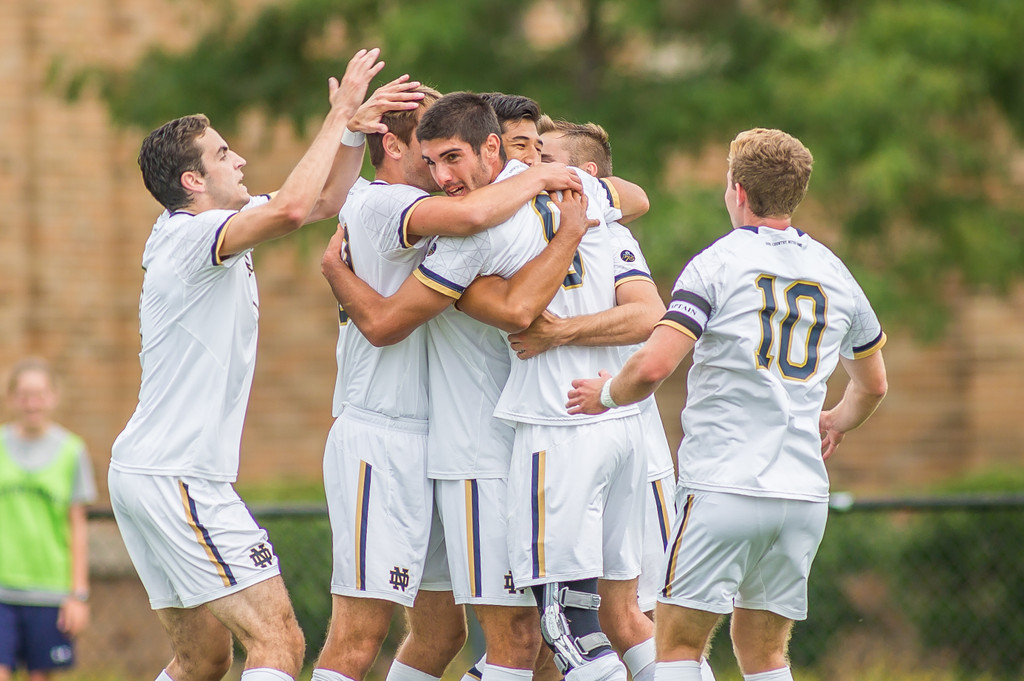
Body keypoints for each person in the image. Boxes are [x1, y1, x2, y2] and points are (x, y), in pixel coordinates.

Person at [108, 48, 407, 681]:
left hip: (150, 472)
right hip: (179, 477)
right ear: (193, 181)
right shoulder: (191, 235)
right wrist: (339, 113)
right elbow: (293, 209)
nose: (239, 159)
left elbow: (323, 200)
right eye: (223, 154)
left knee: (202, 661)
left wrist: (352, 133)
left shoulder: (209, 226)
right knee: (279, 642)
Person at [567, 128, 888, 681]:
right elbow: (874, 384)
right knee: (764, 655)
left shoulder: (718, 262)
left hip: (724, 486)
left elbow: (654, 366)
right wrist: (836, 420)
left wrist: (605, 393)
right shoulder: (835, 271)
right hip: (802, 495)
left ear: (737, 190)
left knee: (677, 646)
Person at [320, 91, 603, 681]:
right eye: (431, 157)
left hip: (463, 439)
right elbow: (389, 321)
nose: (442, 173)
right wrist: (335, 270)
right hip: (389, 437)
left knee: (449, 633)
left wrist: (552, 177)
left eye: (451, 156)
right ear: (396, 147)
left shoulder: (499, 195)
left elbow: (630, 196)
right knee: (365, 636)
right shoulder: (388, 203)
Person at [523, 116, 716, 681]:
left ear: (586, 175)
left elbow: (649, 315)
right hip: (581, 435)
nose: (531, 167)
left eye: (544, 157)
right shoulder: (527, 226)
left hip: (631, 444)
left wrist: (559, 332)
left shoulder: (609, 231)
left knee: (634, 617)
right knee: (587, 623)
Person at [0, 358, 96, 681]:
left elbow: (77, 527)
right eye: (24, 395)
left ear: (53, 397)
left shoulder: (72, 451)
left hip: (49, 591)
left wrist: (78, 595)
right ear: (11, 398)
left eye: (39, 394)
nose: (32, 403)